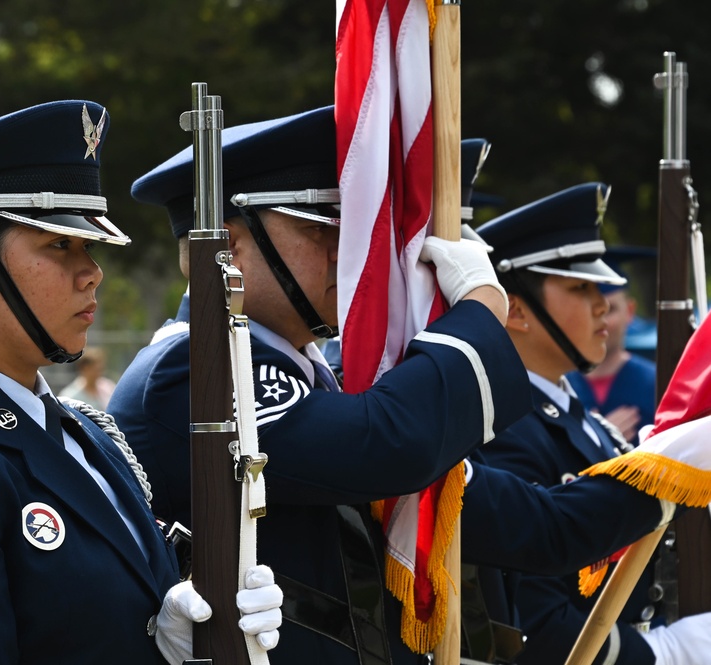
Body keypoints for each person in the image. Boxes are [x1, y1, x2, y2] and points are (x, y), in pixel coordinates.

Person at [109, 108, 704, 665]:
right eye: (328, 229)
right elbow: (386, 447)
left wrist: (666, 467)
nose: (357, 255)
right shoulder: (191, 371)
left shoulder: (321, 381)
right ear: (229, 245)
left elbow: (539, 528)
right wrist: (478, 307)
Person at [0, 100, 283, 664]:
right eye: (59, 244)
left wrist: (169, 633)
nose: (91, 270)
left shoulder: (83, 429)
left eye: (88, 246)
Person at [475, 185, 711, 665]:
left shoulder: (580, 420)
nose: (603, 304)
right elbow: (532, 622)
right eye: (580, 288)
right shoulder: (504, 431)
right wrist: (657, 656)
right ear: (515, 309)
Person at [566, 247, 658, 444]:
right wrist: (600, 439)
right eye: (589, 309)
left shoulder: (659, 385)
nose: (601, 320)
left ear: (630, 311)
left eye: (610, 309)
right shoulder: (559, 387)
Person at [58, 345, 117, 410]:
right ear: (84, 368)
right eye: (96, 369)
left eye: (101, 369)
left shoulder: (109, 387)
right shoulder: (69, 395)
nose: (100, 372)